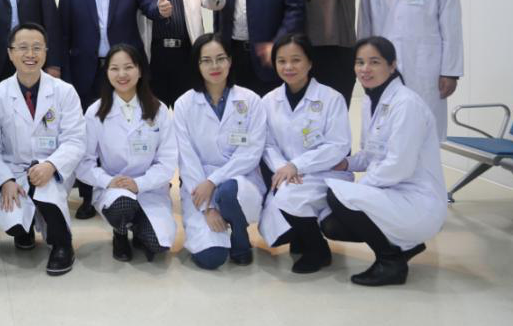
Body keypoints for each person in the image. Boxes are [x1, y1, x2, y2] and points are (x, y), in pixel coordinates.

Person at [58, 0, 171, 218]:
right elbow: (62, 32)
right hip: (85, 69)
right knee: (88, 134)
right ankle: (88, 195)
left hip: (123, 71)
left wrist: (159, 9)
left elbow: (149, 6)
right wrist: (61, 70)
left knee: (121, 129)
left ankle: (132, 187)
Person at [322, 37, 447, 286]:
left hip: (418, 201)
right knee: (331, 225)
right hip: (394, 193)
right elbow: (370, 154)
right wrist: (346, 164)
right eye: (359, 62)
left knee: (338, 196)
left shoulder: (406, 104)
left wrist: (360, 189)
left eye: (374, 62)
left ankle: (391, 262)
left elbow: (399, 166)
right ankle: (404, 247)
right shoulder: (371, 100)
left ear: (392, 65)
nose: (365, 69)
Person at [0, 23, 84, 276]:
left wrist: (51, 165)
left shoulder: (64, 92)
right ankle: (25, 229)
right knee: (13, 222)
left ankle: (63, 245)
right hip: (15, 171)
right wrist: (5, 179)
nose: (30, 54)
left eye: (37, 48)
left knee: (48, 195)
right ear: (10, 53)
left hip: (52, 168)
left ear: (46, 52)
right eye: (23, 48)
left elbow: (75, 140)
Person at [357, 0, 462, 138]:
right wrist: (362, 65)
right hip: (382, 64)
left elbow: (451, 26)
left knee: (423, 129)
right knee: (384, 128)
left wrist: (451, 72)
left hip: (425, 65)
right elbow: (364, 26)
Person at [257, 33, 353, 275]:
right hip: (287, 175)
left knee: (289, 200)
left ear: (310, 62)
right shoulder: (269, 101)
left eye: (296, 60)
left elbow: (338, 145)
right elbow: (267, 144)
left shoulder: (331, 98)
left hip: (325, 174)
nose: (288, 67)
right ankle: (302, 234)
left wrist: (297, 166)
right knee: (272, 223)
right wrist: (284, 169)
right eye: (281, 61)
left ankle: (318, 250)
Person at [173, 33, 267, 270]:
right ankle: (218, 232)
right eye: (206, 60)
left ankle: (240, 237)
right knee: (211, 258)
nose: (214, 66)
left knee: (228, 191)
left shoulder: (251, 100)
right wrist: (207, 207)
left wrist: (213, 181)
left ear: (230, 61)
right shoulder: (184, 104)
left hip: (240, 181)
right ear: (197, 65)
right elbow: (187, 159)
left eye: (220, 58)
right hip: (198, 186)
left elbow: (251, 153)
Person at [77, 44, 177, 263]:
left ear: (140, 71)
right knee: (123, 207)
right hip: (114, 187)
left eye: (128, 67)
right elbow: (84, 163)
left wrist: (139, 184)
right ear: (107, 73)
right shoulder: (95, 112)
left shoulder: (159, 110)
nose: (122, 74)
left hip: (150, 188)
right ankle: (120, 233)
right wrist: (109, 181)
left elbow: (167, 161)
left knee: (159, 245)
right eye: (114, 68)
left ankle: (139, 226)